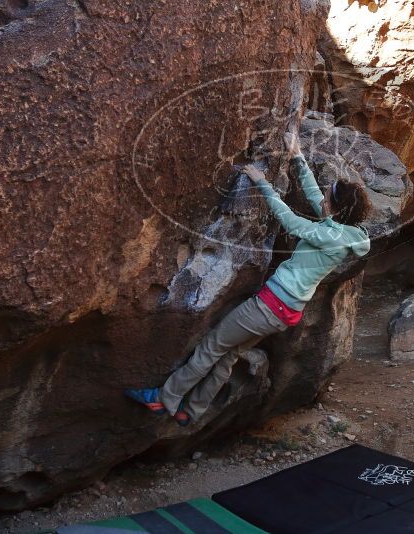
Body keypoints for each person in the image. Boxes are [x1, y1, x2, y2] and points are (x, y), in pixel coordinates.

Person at [125, 132, 372, 426]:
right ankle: (190, 412)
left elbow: (291, 221)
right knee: (230, 354)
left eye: (329, 197)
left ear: (337, 209)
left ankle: (164, 399)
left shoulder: (328, 236)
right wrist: (296, 155)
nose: (324, 198)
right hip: (283, 311)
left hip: (268, 307)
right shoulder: (344, 232)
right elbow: (314, 195)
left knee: (213, 346)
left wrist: (262, 183)